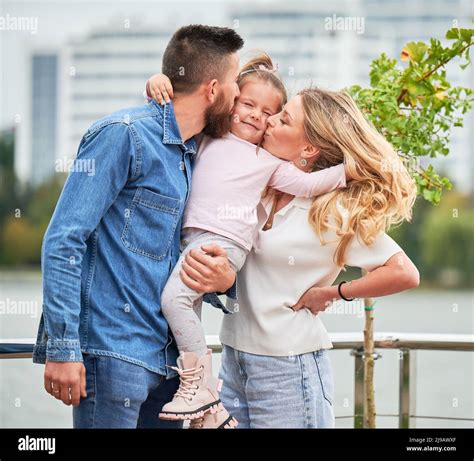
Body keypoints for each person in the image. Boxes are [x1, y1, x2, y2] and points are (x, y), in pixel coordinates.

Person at [32, 24, 244, 429]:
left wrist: (224, 282)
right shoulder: (122, 135)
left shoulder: (196, 157)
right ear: (213, 89)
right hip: (114, 359)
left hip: (170, 370)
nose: (237, 99)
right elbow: (64, 239)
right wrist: (63, 349)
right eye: (235, 85)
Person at [177, 88, 420, 428]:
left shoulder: (332, 210)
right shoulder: (256, 188)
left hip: (289, 369)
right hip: (234, 359)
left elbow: (404, 272)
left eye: (283, 118)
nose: (268, 120)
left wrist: (334, 293)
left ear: (308, 148)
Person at [145, 53, 348, 426]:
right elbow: (193, 99)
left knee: (173, 301)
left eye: (268, 112)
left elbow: (306, 183)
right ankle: (210, 409)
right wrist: (159, 82)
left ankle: (200, 387)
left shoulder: (267, 161)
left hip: (224, 243)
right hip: (195, 240)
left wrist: (346, 170)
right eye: (248, 104)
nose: (256, 114)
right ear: (231, 100)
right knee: (184, 309)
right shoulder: (209, 135)